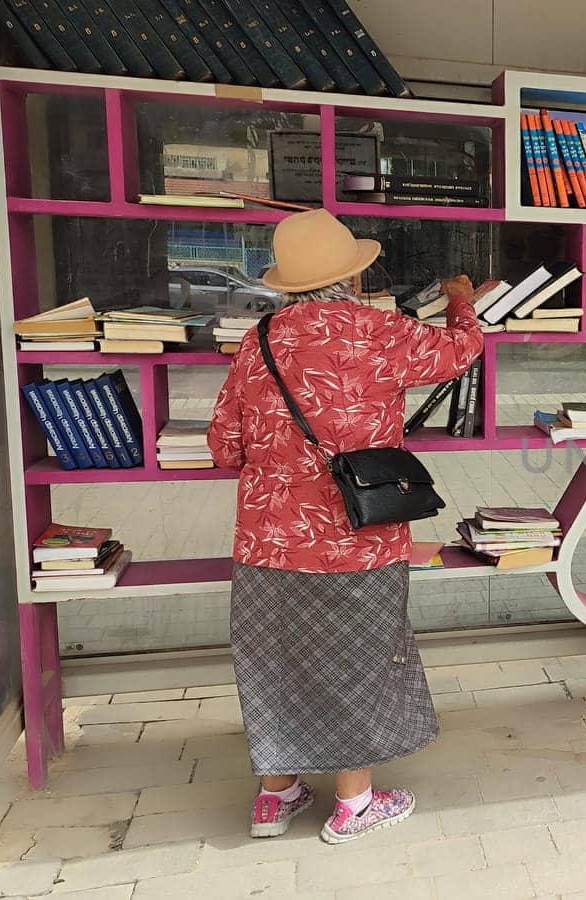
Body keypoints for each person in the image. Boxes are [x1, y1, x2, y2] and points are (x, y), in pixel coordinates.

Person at [208, 210, 485, 844]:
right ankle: (354, 805)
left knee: (274, 660)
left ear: (288, 285)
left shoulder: (261, 340)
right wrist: (462, 300)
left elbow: (225, 445)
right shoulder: (381, 331)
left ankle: (275, 799)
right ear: (353, 277)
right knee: (356, 660)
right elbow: (461, 351)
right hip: (360, 538)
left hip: (268, 541)